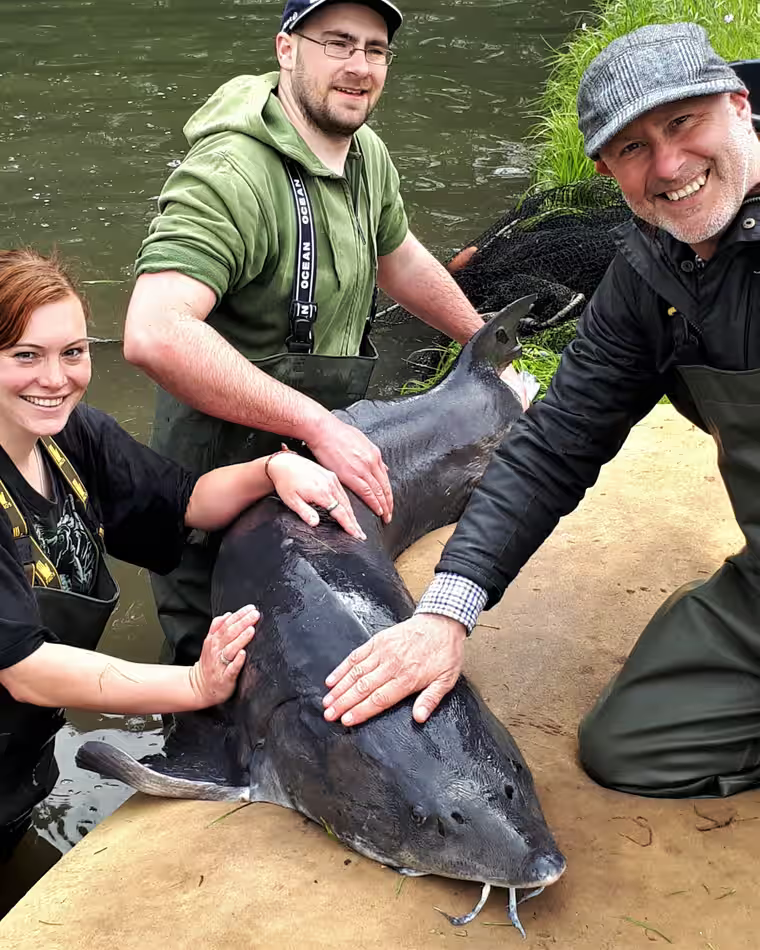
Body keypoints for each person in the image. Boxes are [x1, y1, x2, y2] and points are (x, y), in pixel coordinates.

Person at [322, 23, 760, 800]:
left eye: (682, 122)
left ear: (740, 104)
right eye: (632, 148)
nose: (667, 165)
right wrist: (444, 615)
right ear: (606, 170)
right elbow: (556, 443)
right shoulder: (649, 271)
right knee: (631, 747)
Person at [122, 0, 485, 665]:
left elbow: (397, 257)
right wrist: (319, 425)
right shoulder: (229, 177)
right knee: (218, 702)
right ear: (287, 48)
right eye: (337, 43)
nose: (359, 67)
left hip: (316, 485)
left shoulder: (366, 154)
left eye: (375, 49)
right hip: (216, 503)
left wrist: (481, 339)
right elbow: (154, 332)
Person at [0, 248, 365, 863]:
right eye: (24, 356)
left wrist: (272, 469)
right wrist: (195, 684)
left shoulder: (72, 438)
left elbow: (185, 501)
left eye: (73, 351)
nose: (56, 377)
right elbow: (23, 667)